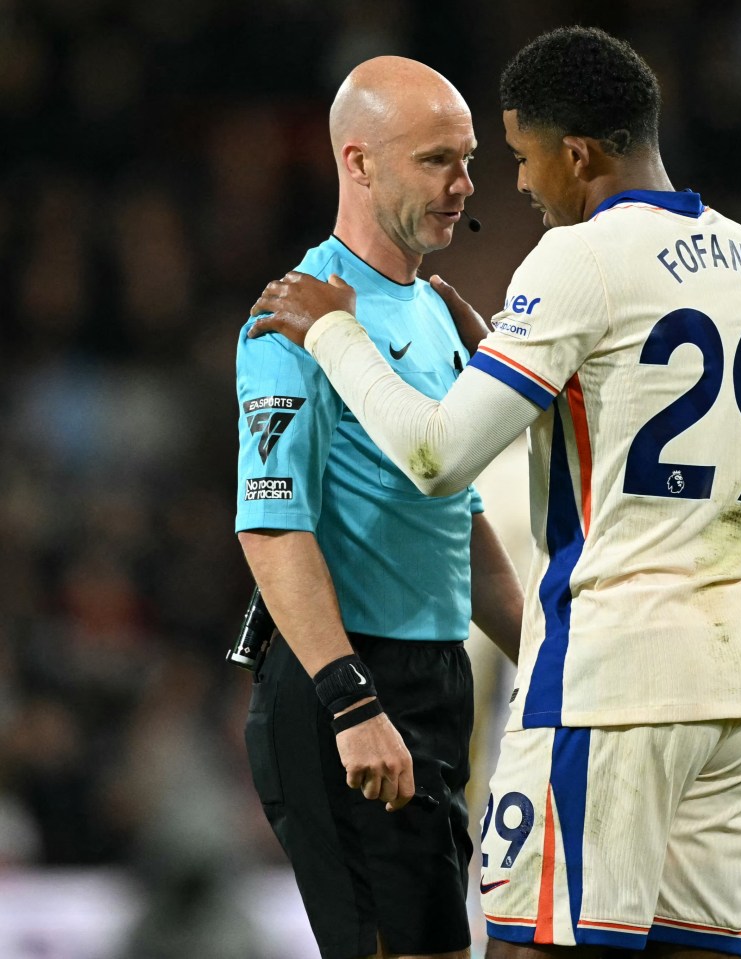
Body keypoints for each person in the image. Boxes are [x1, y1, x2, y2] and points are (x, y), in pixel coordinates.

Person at [248, 25, 741, 959]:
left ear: (577, 152)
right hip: (740, 678)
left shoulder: (572, 260)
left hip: (611, 677)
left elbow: (437, 463)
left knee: (527, 943)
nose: (511, 185)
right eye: (449, 160)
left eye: (514, 157)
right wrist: (503, 344)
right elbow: (623, 394)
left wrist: (336, 335)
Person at [234, 56, 523, 959]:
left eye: (468, 158)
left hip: (436, 681)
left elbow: (459, 522)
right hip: (351, 685)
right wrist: (350, 701)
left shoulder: (436, 308)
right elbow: (272, 524)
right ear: (358, 164)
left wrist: (553, 659)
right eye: (438, 160)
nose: (465, 184)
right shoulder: (293, 316)